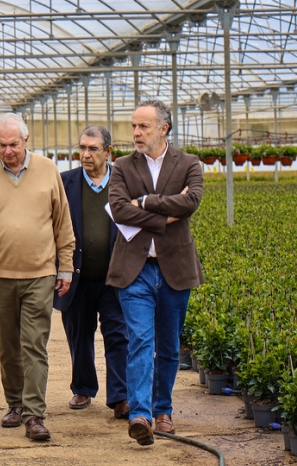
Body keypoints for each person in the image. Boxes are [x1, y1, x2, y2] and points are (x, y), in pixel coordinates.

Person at [0, 112, 75, 442]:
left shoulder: (48, 170)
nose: (7, 151)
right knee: (8, 346)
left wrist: (66, 267)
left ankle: (34, 415)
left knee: (34, 345)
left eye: (13, 144)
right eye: (1, 145)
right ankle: (15, 403)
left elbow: (63, 223)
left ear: (26, 140)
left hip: (40, 274)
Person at [107, 99, 204, 446]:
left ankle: (163, 410)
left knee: (169, 346)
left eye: (143, 126)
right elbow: (119, 209)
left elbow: (191, 202)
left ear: (163, 129)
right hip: (134, 271)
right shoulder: (121, 166)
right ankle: (141, 415)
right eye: (134, 126)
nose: (136, 132)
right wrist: (166, 216)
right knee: (139, 340)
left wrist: (146, 202)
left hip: (174, 269)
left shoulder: (189, 163)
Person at [56, 125, 129, 418]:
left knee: (118, 334)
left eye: (93, 149)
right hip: (77, 275)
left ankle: (120, 396)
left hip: (115, 275)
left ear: (108, 152)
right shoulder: (65, 183)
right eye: (82, 148)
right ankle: (83, 388)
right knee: (79, 333)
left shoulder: (123, 182)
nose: (86, 154)